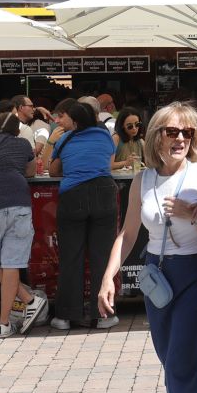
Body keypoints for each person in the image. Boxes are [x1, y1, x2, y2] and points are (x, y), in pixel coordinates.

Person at [99, 102, 197, 393]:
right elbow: (128, 234)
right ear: (155, 137)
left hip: (195, 272)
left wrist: (193, 213)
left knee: (183, 363)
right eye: (172, 132)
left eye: (187, 133)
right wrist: (108, 277)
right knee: (170, 363)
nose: (181, 139)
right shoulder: (142, 180)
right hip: (155, 275)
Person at [50, 98, 118, 332]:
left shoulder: (65, 138)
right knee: (102, 258)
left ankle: (65, 317)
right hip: (104, 193)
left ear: (76, 121)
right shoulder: (105, 137)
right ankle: (104, 316)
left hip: (73, 195)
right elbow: (108, 165)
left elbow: (53, 170)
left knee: (71, 257)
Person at [0, 112, 41, 337]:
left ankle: (12, 316)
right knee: (12, 264)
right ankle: (22, 305)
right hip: (19, 203)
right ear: (17, 130)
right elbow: (30, 171)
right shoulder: (23, 144)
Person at [110, 108, 146, 173]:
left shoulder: (141, 141)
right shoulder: (116, 138)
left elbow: (150, 163)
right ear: (122, 126)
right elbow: (109, 165)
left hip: (136, 179)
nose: (134, 128)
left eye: (137, 124)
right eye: (130, 126)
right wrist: (126, 163)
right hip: (119, 181)